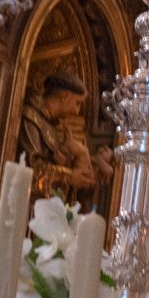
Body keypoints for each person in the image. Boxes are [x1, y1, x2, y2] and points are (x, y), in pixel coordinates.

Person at [18, 71, 112, 205]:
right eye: (77, 103)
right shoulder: (31, 118)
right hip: (23, 199)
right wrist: (69, 176)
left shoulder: (54, 125)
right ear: (65, 97)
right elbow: (31, 166)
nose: (77, 111)